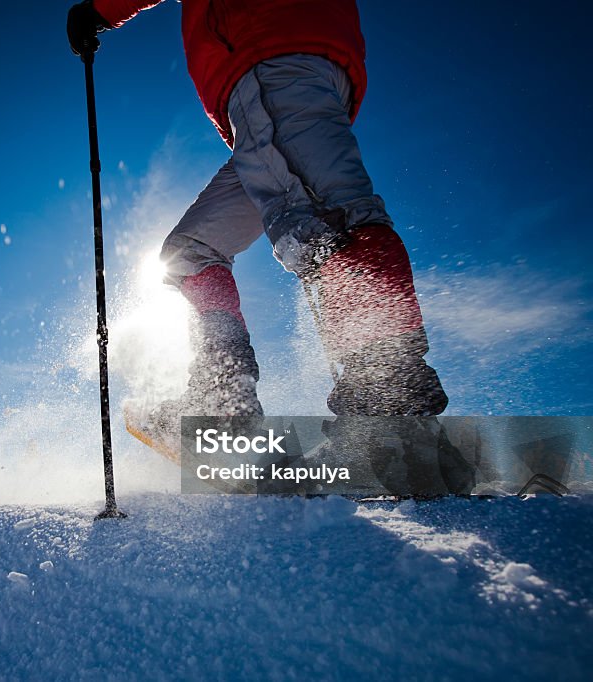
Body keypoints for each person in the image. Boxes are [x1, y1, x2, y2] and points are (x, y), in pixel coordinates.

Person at [66, 0, 448, 431]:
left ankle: (393, 404)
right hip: (272, 77)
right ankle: (224, 398)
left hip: (268, 53)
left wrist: (98, 10)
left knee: (330, 223)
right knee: (190, 253)